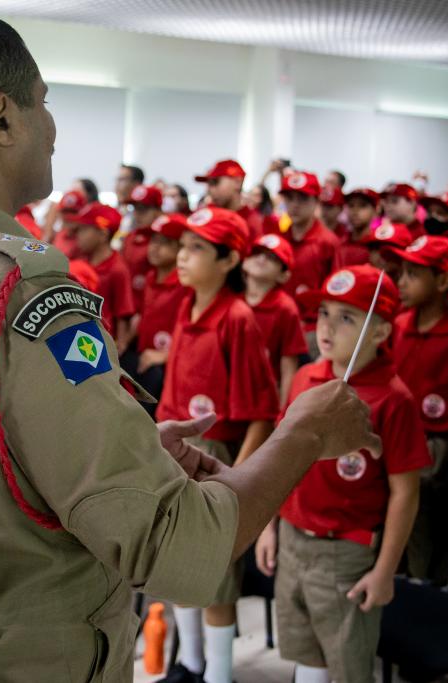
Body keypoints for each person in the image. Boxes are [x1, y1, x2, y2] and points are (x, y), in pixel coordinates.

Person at [0, 11, 380, 682]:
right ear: (2, 120)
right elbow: (178, 546)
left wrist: (116, 455)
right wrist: (305, 433)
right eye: (43, 104)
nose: (52, 127)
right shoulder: (18, 293)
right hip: (18, 661)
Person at [256, 265, 430, 683]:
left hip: (345, 555)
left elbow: (405, 493)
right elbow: (283, 460)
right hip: (294, 540)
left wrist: (385, 569)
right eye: (324, 313)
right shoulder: (305, 378)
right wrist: (268, 526)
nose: (327, 327)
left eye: (347, 317)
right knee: (304, 654)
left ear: (381, 332)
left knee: (348, 663)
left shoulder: (393, 398)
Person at [157, 207, 280, 683]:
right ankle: (189, 664)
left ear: (229, 261)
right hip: (178, 452)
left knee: (217, 580)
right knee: (178, 568)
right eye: (183, 246)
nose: (182, 257)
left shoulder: (239, 319)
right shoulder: (185, 308)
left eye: (197, 249)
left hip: (220, 458)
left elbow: (261, 416)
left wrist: (237, 481)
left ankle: (218, 675)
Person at [387, 235, 448, 581]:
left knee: (425, 514)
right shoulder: (398, 325)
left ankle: (426, 579)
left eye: (413, 274)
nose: (401, 282)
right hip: (396, 435)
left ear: (443, 281)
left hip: (438, 444)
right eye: (402, 273)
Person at [122, 213, 189, 413]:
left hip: (169, 368)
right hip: (145, 358)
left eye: (165, 242)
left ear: (180, 248)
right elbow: (143, 315)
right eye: (154, 240)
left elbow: (188, 329)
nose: (155, 247)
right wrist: (125, 340)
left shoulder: (185, 283)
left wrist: (165, 355)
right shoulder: (151, 276)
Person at [276, 171, 340, 349]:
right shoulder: (280, 239)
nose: (295, 205)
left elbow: (335, 294)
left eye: (302, 199)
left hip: (310, 330)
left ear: (316, 202)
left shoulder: (327, 242)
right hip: (279, 325)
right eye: (289, 198)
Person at [243, 234, 307, 407]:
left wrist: (283, 409)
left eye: (272, 258)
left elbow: (288, 365)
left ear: (283, 275)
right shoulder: (231, 297)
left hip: (264, 396)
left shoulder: (286, 308)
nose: (262, 259)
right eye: (257, 253)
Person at [69, 202, 135, 350]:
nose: (78, 235)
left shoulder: (118, 269)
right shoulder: (81, 261)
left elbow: (123, 313)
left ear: (103, 234)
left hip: (99, 345)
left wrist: (119, 347)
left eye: (84, 229)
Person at [196, 158, 275, 243]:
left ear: (238, 182)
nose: (209, 190)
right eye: (208, 184)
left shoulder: (252, 222)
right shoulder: (206, 214)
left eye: (215, 182)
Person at [122, 184, 163, 308]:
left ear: (157, 211)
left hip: (151, 306)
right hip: (128, 305)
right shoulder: (130, 237)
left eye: (143, 209)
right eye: (135, 209)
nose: (138, 214)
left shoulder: (165, 241)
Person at [336, 188, 380, 267]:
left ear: (375, 211)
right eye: (351, 205)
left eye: (363, 205)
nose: (355, 211)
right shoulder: (339, 243)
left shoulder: (378, 246)